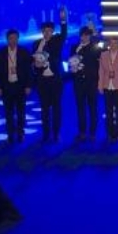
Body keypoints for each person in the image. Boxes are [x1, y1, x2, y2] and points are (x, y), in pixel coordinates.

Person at [32, 8, 67, 143]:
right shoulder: (36, 44)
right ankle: (46, 134)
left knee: (56, 108)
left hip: (55, 81)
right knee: (44, 109)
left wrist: (63, 20)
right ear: (42, 31)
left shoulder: (57, 40)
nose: (47, 33)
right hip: (42, 81)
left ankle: (56, 133)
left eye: (49, 31)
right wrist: (35, 66)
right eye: (44, 31)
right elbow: (32, 61)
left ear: (52, 31)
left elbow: (64, 33)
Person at [0, 29, 33, 144]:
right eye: (11, 38)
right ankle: (10, 134)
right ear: (7, 39)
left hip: (20, 86)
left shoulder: (24, 52)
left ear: (18, 39)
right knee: (8, 113)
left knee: (21, 112)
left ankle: (20, 133)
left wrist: (28, 85)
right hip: (6, 87)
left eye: (15, 38)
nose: (13, 40)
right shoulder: (0, 53)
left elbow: (28, 70)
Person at [70, 26, 101, 143]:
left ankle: (92, 132)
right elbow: (71, 62)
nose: (84, 37)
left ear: (89, 36)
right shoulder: (74, 47)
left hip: (91, 82)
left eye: (86, 35)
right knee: (80, 108)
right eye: (82, 35)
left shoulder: (95, 48)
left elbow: (99, 65)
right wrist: (73, 69)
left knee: (92, 108)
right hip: (78, 82)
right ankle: (82, 132)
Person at [98, 37, 118, 142]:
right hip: (107, 86)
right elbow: (101, 71)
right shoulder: (103, 55)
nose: (113, 45)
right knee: (108, 111)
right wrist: (100, 85)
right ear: (109, 44)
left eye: (115, 43)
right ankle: (110, 133)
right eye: (111, 43)